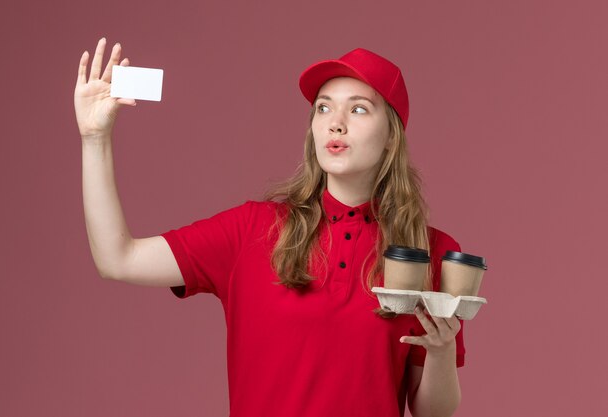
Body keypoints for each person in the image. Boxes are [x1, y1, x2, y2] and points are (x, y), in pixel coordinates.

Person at [74, 37, 465, 417]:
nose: (336, 124)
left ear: (391, 136)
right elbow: (117, 258)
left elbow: (432, 412)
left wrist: (442, 350)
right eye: (324, 109)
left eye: (359, 109)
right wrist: (95, 139)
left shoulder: (429, 252)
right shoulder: (252, 229)